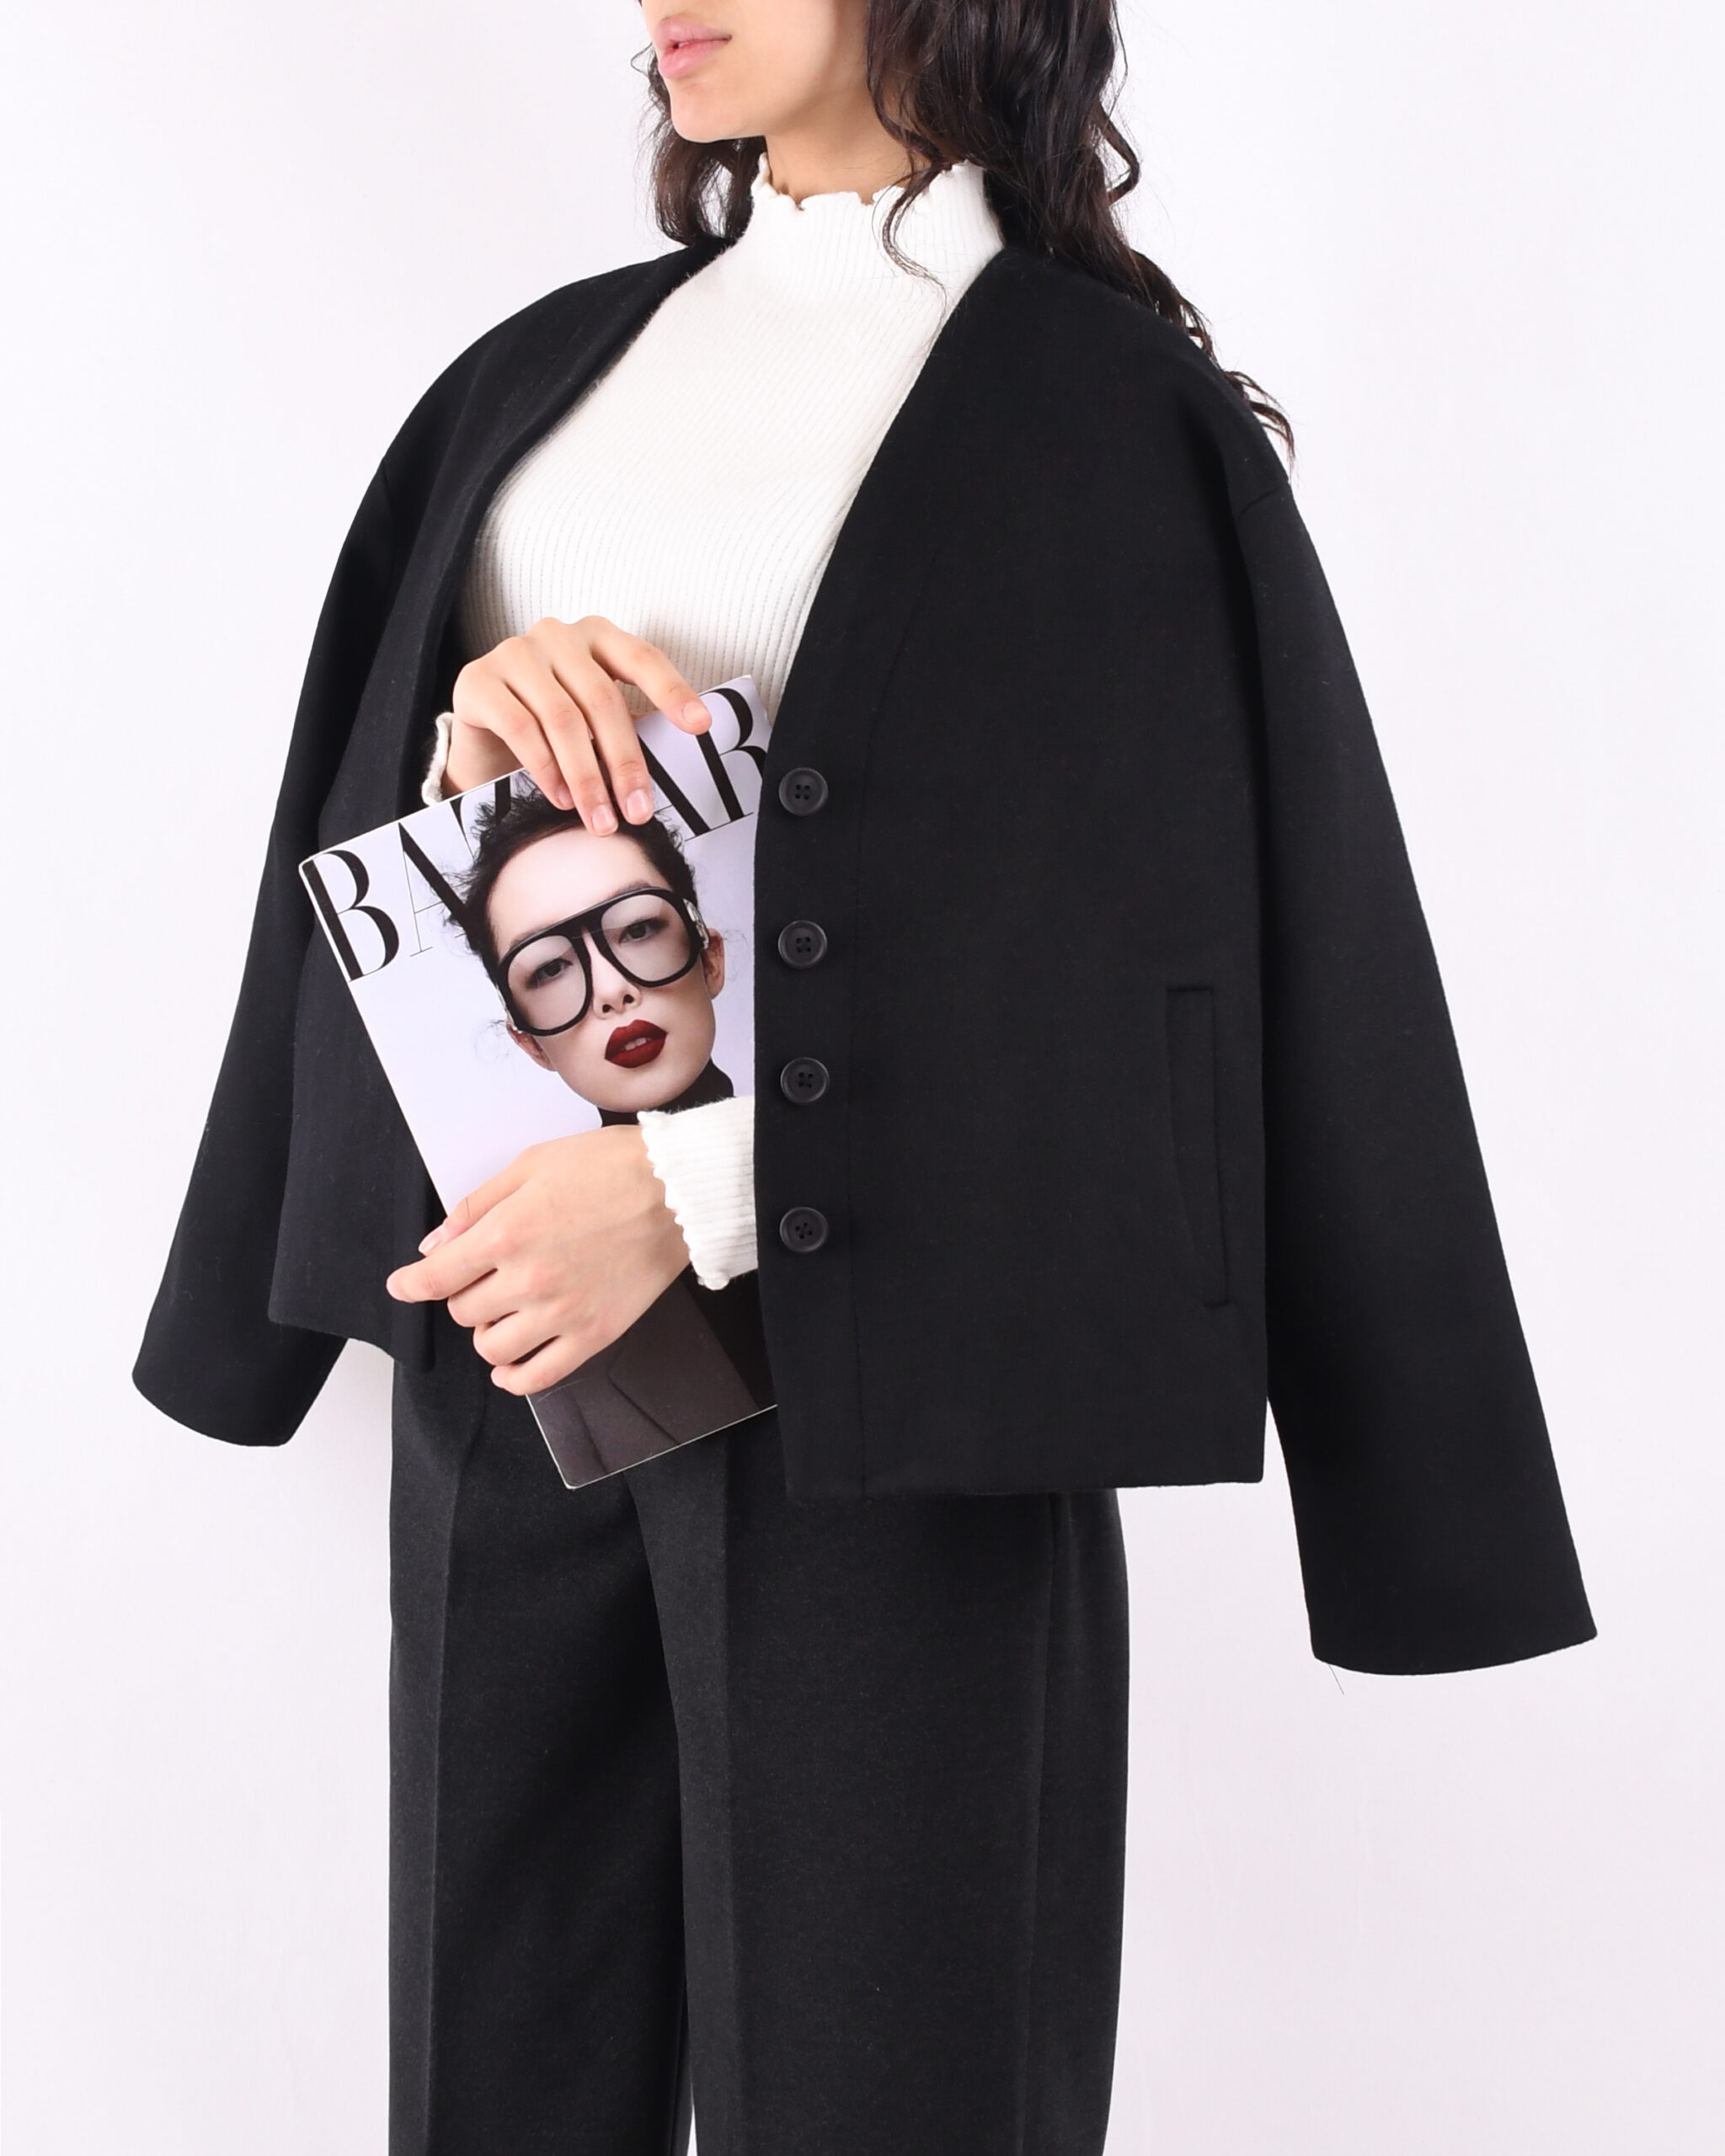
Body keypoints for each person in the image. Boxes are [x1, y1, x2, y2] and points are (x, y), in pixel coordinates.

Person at [134, 4, 1596, 2152]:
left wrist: (690, 1194)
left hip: (899, 1396)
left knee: (888, 2094)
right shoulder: (533, 379)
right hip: (516, 1354)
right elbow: (382, 837)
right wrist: (479, 731)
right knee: (491, 2081)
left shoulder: (1104, 416)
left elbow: (1164, 992)